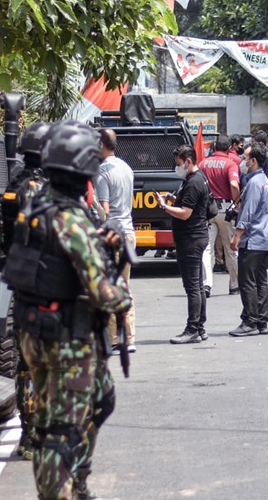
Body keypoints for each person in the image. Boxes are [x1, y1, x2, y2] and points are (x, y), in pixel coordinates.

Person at [7, 124, 131, 500]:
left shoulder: (41, 203)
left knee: (100, 399)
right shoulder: (69, 219)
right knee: (59, 430)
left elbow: (57, 256)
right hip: (64, 340)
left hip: (36, 330)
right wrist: (122, 294)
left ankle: (76, 479)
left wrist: (99, 239)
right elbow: (104, 294)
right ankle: (63, 491)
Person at [2, 122, 50, 462]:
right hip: (41, 281)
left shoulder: (15, 182)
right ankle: (38, 435)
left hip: (19, 279)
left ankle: (30, 436)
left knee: (24, 362)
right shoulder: (38, 187)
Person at [158, 146, 211, 344]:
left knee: (192, 287)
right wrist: (174, 199)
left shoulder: (194, 182)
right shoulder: (196, 179)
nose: (176, 167)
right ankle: (200, 327)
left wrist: (165, 207)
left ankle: (193, 329)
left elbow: (186, 213)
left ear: (188, 161)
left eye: (179, 163)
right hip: (195, 235)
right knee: (197, 285)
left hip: (191, 238)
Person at [96, 128, 137, 355]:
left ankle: (114, 338)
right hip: (128, 233)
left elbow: (104, 210)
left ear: (101, 144)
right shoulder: (126, 168)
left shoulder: (102, 171)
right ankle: (129, 338)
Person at [229, 142, 268, 336]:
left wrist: (237, 236)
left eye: (245, 158)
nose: (242, 161)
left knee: (247, 282)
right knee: (261, 281)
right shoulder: (265, 180)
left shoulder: (255, 183)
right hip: (266, 239)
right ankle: (261, 321)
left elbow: (248, 213)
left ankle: (250, 321)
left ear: (254, 161)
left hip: (253, 239)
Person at [198, 135, 241, 296]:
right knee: (231, 247)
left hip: (207, 209)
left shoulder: (203, 164)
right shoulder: (230, 164)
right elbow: (234, 184)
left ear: (215, 147)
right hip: (225, 209)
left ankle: (206, 284)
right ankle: (235, 284)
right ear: (229, 148)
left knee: (206, 248)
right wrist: (237, 203)